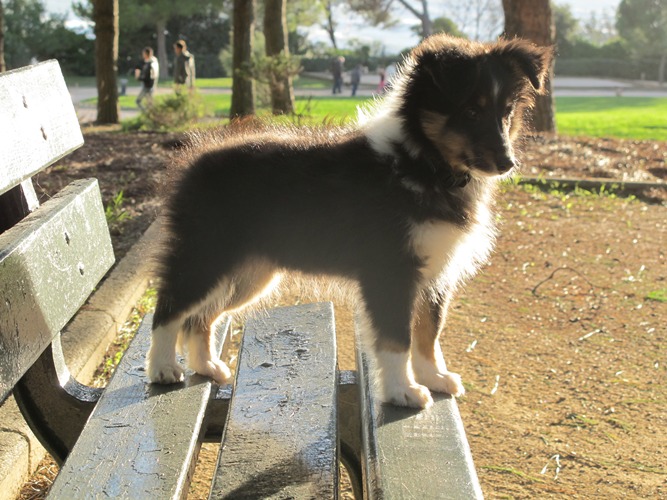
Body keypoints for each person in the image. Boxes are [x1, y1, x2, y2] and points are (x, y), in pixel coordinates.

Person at [135, 47, 159, 112]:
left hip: (148, 86)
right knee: (149, 104)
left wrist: (139, 78)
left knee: (139, 101)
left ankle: (147, 114)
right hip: (150, 85)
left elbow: (148, 76)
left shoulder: (150, 64)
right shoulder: (153, 62)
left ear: (146, 54)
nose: (143, 55)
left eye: (144, 53)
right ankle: (148, 114)